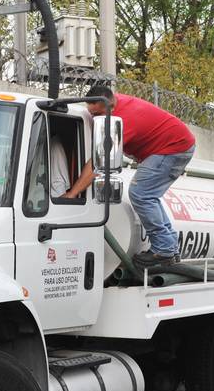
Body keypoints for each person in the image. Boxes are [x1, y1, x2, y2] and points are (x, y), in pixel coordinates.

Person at [73, 83, 195, 268]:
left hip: (173, 148)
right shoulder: (114, 104)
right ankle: (169, 248)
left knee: (141, 194)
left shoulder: (123, 120)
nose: (93, 118)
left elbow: (99, 163)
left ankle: (164, 251)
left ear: (111, 105)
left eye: (97, 114)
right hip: (178, 144)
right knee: (149, 196)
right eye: (90, 113)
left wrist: (73, 193)